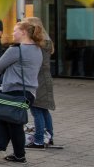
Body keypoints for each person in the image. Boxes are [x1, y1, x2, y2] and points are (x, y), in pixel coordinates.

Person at [0, 20, 44, 164]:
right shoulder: (37, 49)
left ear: (23, 32)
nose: (12, 33)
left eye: (15, 30)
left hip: (13, 91)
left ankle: (19, 156)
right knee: (4, 119)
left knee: (13, 124)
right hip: (29, 93)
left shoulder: (16, 50)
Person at [24, 17, 56, 150]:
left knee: (36, 110)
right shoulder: (46, 41)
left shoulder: (36, 43)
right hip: (45, 78)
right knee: (44, 110)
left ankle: (38, 141)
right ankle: (49, 137)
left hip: (37, 80)